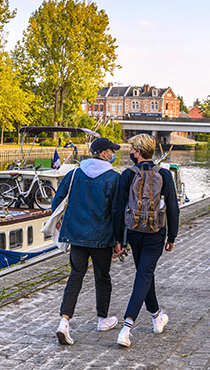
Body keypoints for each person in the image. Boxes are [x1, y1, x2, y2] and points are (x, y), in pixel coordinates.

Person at [53, 137, 124, 345]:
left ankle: (64, 322)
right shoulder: (113, 178)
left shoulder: (74, 173)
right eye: (111, 151)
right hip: (102, 238)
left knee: (75, 276)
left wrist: (60, 222)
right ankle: (102, 319)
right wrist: (119, 240)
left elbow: (57, 200)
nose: (113, 154)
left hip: (76, 235)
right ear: (103, 153)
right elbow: (116, 211)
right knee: (102, 277)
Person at [114, 133, 180, 347]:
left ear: (139, 152)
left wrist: (119, 240)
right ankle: (126, 328)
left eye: (132, 149)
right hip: (156, 233)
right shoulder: (165, 174)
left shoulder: (127, 174)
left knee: (144, 274)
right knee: (145, 275)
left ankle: (156, 317)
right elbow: (172, 208)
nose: (130, 153)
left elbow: (118, 209)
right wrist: (172, 236)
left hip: (134, 232)